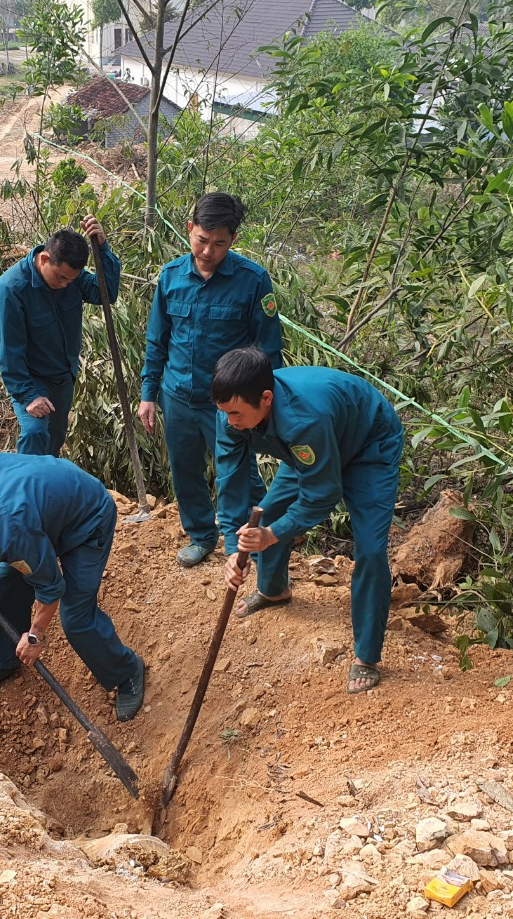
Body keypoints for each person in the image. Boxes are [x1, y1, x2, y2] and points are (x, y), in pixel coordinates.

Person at [213, 347, 403, 695]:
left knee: (371, 550)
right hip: (309, 448)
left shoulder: (304, 421)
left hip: (368, 445)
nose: (229, 421)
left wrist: (272, 535)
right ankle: (273, 591)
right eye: (224, 412)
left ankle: (366, 656)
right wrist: (231, 547)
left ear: (266, 398)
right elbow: (229, 479)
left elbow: (323, 494)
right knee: (267, 515)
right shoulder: (231, 410)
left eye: (236, 413)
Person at [0, 452, 146, 722]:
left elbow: (51, 588)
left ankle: (127, 671)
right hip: (45, 513)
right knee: (6, 584)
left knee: (76, 618)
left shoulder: (9, 535)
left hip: (87, 519)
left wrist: (35, 637)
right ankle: (1, 663)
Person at [138, 192, 282, 568]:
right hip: (177, 396)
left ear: (233, 240)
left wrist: (267, 410)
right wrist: (148, 394)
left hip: (229, 405)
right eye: (202, 240)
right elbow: (157, 341)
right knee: (185, 470)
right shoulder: (170, 278)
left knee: (238, 474)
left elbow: (268, 350)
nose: (207, 251)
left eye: (219, 244)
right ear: (190, 230)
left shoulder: (252, 281)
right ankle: (202, 536)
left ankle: (255, 543)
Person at [0, 217, 119, 457]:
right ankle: (25, 489)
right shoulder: (11, 290)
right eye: (61, 278)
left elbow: (106, 293)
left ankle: (46, 488)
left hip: (63, 376)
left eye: (71, 280)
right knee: (35, 432)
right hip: (32, 377)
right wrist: (29, 396)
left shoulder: (71, 277)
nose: (65, 285)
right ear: (44, 259)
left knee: (54, 439)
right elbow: (10, 353)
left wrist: (102, 248)